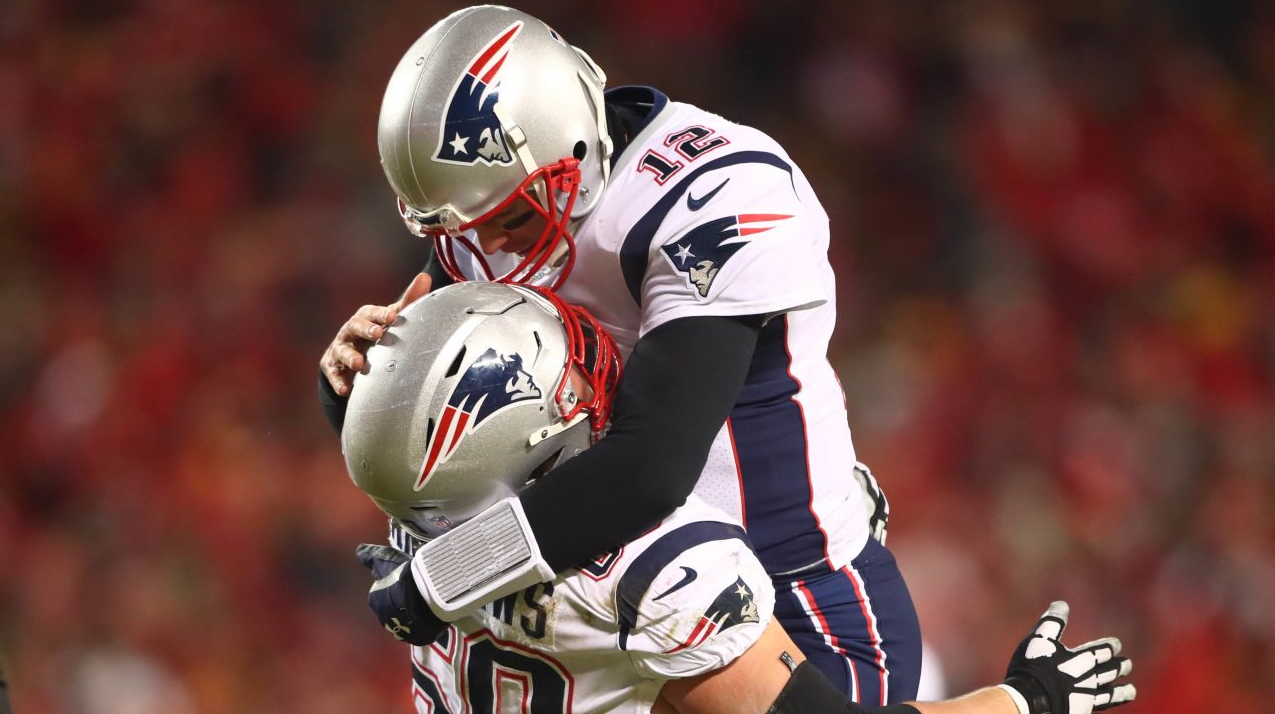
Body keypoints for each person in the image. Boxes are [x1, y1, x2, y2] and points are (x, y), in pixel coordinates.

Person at [320, 4, 919, 703]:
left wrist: (447, 573)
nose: (497, 248)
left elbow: (649, 471)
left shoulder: (714, 193)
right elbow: (439, 441)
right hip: (604, 598)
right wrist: (355, 384)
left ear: (565, 137)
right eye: (469, 230)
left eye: (512, 217)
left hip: (786, 598)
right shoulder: (485, 217)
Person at [341, 281, 1136, 714]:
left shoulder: (425, 528)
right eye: (569, 375)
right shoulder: (653, 570)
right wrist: (1022, 701)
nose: (593, 374)